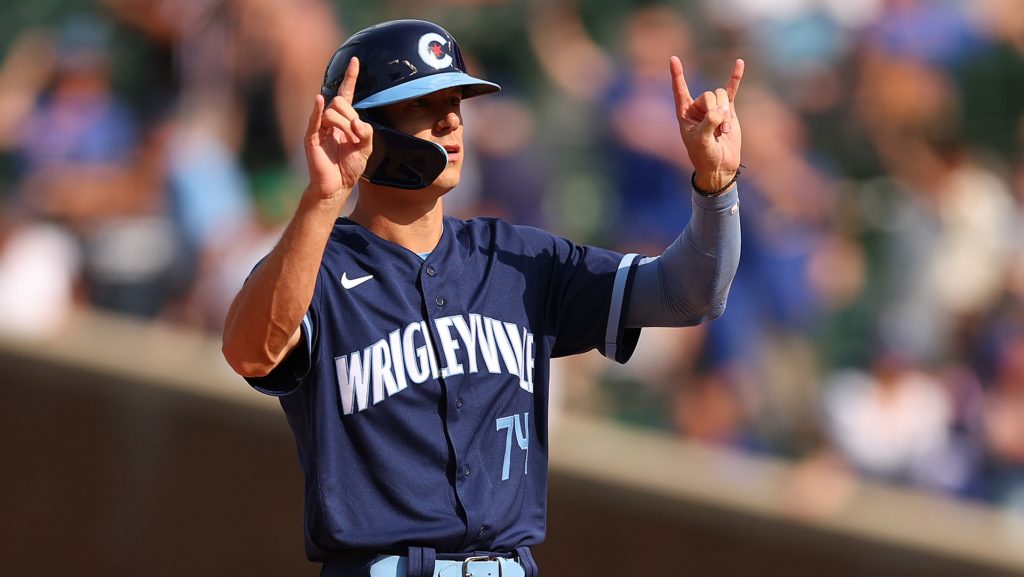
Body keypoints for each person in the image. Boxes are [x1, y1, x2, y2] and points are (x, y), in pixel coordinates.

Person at [222, 19, 743, 577]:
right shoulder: (316, 268)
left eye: (457, 103)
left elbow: (686, 295)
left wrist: (715, 189)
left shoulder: (518, 258)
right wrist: (323, 199)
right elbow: (252, 352)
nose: (451, 121)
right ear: (365, 128)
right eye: (423, 105)